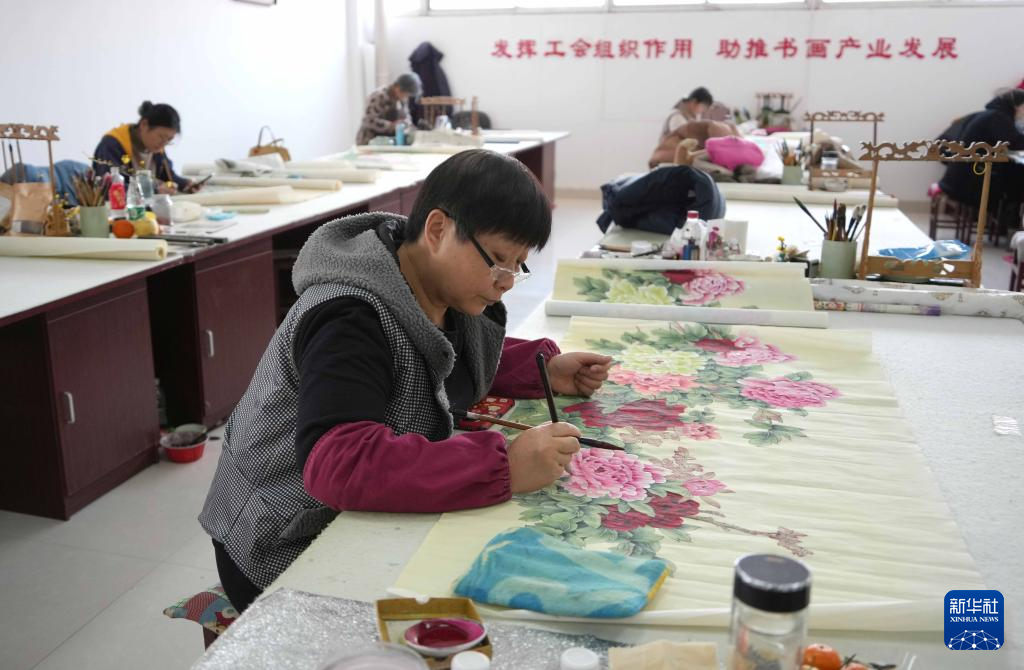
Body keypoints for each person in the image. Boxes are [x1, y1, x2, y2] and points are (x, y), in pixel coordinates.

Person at [199, 149, 613, 612]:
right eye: (498, 259)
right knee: (487, 602)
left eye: (519, 263)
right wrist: (502, 467)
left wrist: (540, 370)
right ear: (437, 230)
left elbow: (437, 356)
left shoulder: (437, 284)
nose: (508, 281)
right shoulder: (348, 318)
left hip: (348, 513)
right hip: (281, 541)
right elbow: (339, 464)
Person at [938, 89, 1024, 227]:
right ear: (1017, 105)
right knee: (1016, 181)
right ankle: (1008, 225)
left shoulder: (990, 114)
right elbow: (1014, 143)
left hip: (960, 176)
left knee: (1014, 177)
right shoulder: (999, 118)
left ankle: (1006, 225)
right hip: (971, 181)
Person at [92, 101, 199, 194]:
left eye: (169, 140)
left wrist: (185, 184)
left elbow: (167, 176)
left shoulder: (156, 147)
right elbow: (110, 188)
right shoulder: (113, 145)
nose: (164, 144)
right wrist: (153, 190)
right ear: (144, 124)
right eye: (161, 137)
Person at [356, 73, 423, 145]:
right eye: (406, 94)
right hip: (369, 142)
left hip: (388, 142)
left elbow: (406, 117)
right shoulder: (379, 96)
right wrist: (391, 126)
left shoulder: (401, 100)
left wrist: (407, 125)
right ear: (397, 88)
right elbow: (368, 120)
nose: (406, 97)